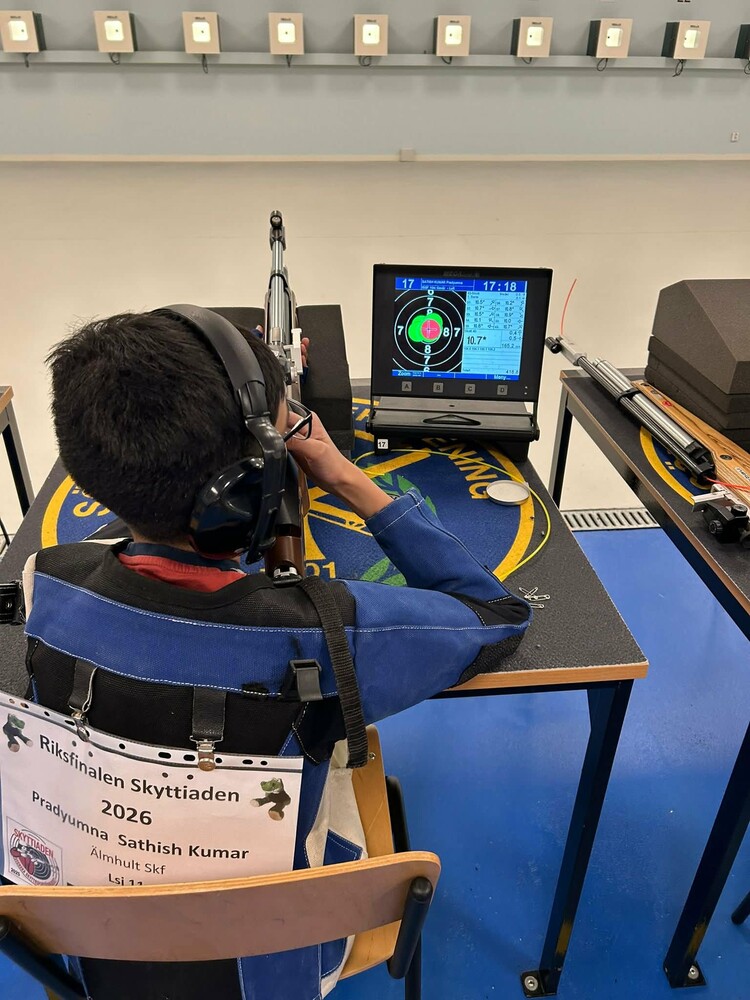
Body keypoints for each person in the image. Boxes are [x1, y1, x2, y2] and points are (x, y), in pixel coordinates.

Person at [18, 307, 531, 1000]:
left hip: (92, 950)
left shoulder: (44, 582)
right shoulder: (330, 637)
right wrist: (340, 474)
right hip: (279, 965)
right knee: (346, 748)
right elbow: (497, 615)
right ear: (250, 487)